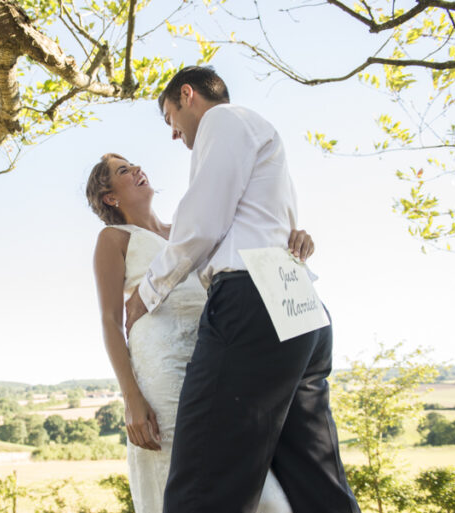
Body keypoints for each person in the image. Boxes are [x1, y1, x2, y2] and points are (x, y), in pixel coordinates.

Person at [124, 66, 360, 513]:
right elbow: (272, 224)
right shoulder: (263, 135)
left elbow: (203, 220)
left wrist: (148, 290)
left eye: (169, 117)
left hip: (254, 305)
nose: (175, 134)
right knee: (314, 476)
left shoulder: (223, 121)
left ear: (187, 96)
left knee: (203, 481)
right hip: (300, 307)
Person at [87, 153, 314, 512]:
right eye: (123, 171)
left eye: (133, 165)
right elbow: (109, 321)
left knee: (253, 478)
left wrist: (292, 238)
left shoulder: (189, 228)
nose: (137, 169)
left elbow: (249, 247)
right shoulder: (114, 239)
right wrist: (131, 397)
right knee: (178, 473)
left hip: (215, 358)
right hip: (161, 370)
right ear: (109, 197)